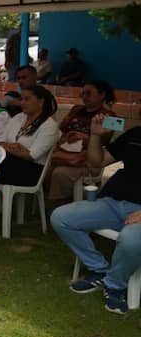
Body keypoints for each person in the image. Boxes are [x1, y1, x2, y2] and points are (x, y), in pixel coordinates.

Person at [51, 113, 141, 314]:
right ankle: (100, 269)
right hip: (113, 202)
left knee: (132, 240)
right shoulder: (135, 134)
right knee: (62, 217)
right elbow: (96, 163)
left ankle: (114, 285)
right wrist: (95, 136)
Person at [47, 80, 116, 203]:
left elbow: (105, 142)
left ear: (102, 95)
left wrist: (85, 138)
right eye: (82, 93)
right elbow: (62, 128)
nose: (84, 97)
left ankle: (60, 204)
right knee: (45, 167)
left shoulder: (111, 117)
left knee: (60, 173)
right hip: (66, 154)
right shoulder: (76, 109)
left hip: (88, 160)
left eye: (88, 93)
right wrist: (69, 136)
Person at [0, 86, 59, 186]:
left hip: (31, 170)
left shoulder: (49, 126)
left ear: (41, 102)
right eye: (21, 99)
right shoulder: (18, 117)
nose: (22, 103)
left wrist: (8, 147)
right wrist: (15, 147)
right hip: (10, 162)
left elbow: (31, 155)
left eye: (27, 99)